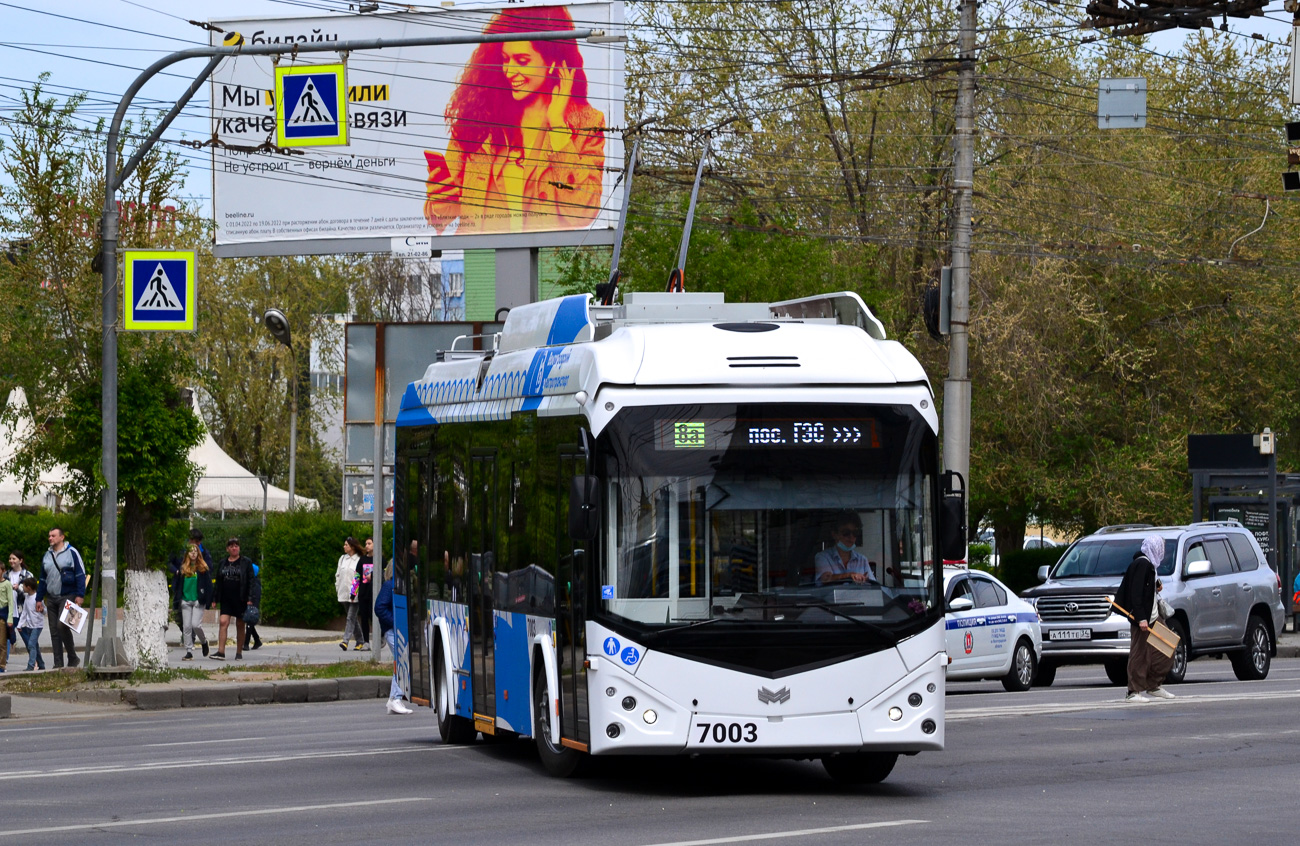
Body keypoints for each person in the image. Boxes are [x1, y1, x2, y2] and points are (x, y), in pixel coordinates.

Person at [423, 5, 605, 236]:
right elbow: (439, 217)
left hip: (553, 263)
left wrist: (558, 126)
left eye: (522, 60)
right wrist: (438, 204)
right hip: (482, 261)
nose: (509, 71)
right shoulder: (477, 120)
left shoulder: (587, 122)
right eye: (505, 59)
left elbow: (583, 212)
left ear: (551, 63)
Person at [1116, 535, 1175, 702]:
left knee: (1167, 648)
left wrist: (1157, 584)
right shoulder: (1142, 564)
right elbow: (1136, 593)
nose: (1162, 551)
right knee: (1139, 653)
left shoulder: (1150, 565)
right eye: (1161, 547)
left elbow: (1148, 585)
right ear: (1155, 548)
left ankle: (1153, 685)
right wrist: (1141, 618)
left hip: (1153, 616)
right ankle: (1133, 691)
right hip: (1143, 618)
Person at [35, 527, 85, 669]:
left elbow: (80, 575)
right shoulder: (47, 555)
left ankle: (72, 657)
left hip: (67, 596)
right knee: (54, 631)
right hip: (51, 597)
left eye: (53, 536)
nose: (50, 538)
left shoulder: (72, 552)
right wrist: (39, 599)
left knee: (62, 625)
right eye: (49, 536)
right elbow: (42, 579)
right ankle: (58, 664)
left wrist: (80, 595)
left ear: (62, 537)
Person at [375, 564, 412, 714]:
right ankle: (395, 698)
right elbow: (379, 608)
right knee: (402, 659)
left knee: (401, 659)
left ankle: (394, 699)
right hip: (392, 631)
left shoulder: (395, 585)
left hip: (394, 630)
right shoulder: (390, 585)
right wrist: (395, 622)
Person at [212, 538, 256, 661]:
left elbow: (251, 581)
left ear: (239, 548)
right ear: (227, 549)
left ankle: (239, 652)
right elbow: (218, 581)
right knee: (223, 622)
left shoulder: (246, 562)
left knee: (240, 624)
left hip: (241, 598)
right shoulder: (223, 563)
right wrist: (215, 598)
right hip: (226, 598)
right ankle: (221, 652)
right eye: (231, 546)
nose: (234, 548)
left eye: (236, 546)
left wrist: (250, 598)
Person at [171, 544, 212, 660]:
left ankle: (204, 642)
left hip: (198, 600)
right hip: (185, 600)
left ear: (198, 553)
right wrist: (178, 599)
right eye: (190, 551)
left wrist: (208, 600)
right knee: (187, 627)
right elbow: (178, 585)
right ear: (187, 554)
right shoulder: (183, 568)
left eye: (195, 551)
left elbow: (208, 585)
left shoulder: (203, 568)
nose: (193, 553)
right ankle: (189, 651)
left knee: (196, 625)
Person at [814, 513, 879, 586]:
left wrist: (864, 580)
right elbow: (825, 579)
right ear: (834, 534)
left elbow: (873, 585)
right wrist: (850, 575)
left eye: (855, 533)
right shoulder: (822, 557)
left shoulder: (862, 560)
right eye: (846, 533)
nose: (851, 536)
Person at [335, 538, 363, 650]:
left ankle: (345, 641)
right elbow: (338, 575)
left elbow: (357, 577)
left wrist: (354, 593)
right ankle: (360, 640)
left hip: (354, 595)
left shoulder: (359, 560)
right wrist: (338, 588)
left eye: (346, 545)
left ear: (352, 546)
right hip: (343, 593)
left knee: (350, 617)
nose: (344, 546)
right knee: (352, 618)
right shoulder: (342, 559)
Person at [6, 551, 33, 665]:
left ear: (20, 561)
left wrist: (19, 588)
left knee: (26, 636)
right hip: (8, 611)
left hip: (22, 611)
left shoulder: (27, 575)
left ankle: (34, 661)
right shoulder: (5, 574)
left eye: (14, 558)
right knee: (5, 636)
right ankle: (3, 662)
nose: (11, 561)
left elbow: (31, 592)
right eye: (10, 558)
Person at [17, 577, 44, 671]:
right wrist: (20, 624)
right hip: (29, 625)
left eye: (23, 586)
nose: (22, 587)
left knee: (31, 644)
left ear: (28, 587)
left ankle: (31, 666)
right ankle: (41, 664)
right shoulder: (27, 597)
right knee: (35, 645)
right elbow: (24, 612)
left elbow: (44, 611)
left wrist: (42, 610)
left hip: (37, 625)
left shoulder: (38, 598)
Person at [354, 538, 376, 652]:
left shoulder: (379, 559)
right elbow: (357, 576)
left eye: (369, 543)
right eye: (366, 544)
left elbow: (385, 572)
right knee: (364, 618)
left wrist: (373, 575)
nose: (366, 546)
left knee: (374, 618)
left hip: (375, 594)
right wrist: (353, 592)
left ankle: (379, 638)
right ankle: (366, 642)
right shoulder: (362, 560)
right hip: (363, 593)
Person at [243, 561, 263, 652]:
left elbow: (255, 594)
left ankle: (246, 643)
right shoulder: (251, 581)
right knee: (249, 622)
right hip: (250, 603)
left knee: (249, 623)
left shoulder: (255, 583)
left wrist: (251, 602)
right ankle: (257, 640)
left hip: (252, 604)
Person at [0, 568, 14, 673]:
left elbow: (10, 602)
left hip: (2, 615)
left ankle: (2, 665)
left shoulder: (7, 584)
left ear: (3, 570)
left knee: (2, 643)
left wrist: (10, 618)